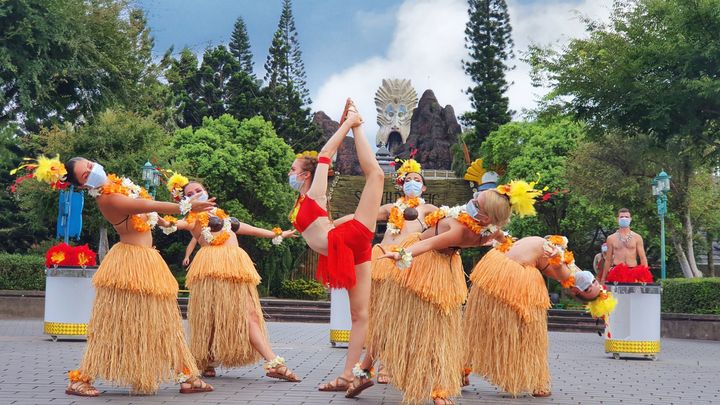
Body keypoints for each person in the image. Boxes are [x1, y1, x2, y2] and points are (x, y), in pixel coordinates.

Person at [59, 157, 216, 396]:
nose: (92, 170)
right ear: (82, 186)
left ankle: (188, 376)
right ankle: (81, 378)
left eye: (90, 165)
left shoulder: (122, 187)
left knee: (165, 321)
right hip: (129, 267)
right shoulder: (108, 198)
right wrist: (184, 206)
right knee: (116, 324)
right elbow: (144, 205)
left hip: (147, 262)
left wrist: (166, 221)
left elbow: (148, 213)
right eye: (84, 174)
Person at [287, 99, 384, 397]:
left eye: (293, 169)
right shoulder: (302, 203)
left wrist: (348, 124)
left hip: (345, 241)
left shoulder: (315, 191)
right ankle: (348, 375)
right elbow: (311, 227)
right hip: (344, 248)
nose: (289, 173)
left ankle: (359, 125)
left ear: (305, 174)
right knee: (360, 315)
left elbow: (326, 153)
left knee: (377, 176)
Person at [157, 179, 299, 381]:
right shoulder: (194, 218)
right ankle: (270, 362)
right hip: (213, 270)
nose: (196, 194)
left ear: (207, 191)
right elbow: (177, 224)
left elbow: (247, 228)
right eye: (190, 194)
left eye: (199, 190)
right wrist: (162, 221)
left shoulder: (221, 215)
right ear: (186, 200)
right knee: (211, 317)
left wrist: (277, 234)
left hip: (236, 268)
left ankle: (210, 361)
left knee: (247, 315)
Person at [464, 235, 616, 398]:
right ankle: (532, 381)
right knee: (489, 329)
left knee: (506, 332)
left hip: (501, 269)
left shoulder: (566, 275)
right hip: (503, 270)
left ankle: (527, 379)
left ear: (575, 291)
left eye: (587, 289)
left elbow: (561, 271)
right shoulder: (574, 270)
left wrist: (557, 259)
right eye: (593, 283)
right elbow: (581, 275)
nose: (590, 283)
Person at [362, 159, 437, 386]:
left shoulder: (429, 209)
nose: (412, 183)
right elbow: (363, 217)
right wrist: (334, 223)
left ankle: (391, 364)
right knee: (383, 314)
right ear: (400, 185)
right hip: (384, 261)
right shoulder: (391, 208)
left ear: (423, 188)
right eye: (408, 180)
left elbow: (450, 226)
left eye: (417, 180)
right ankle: (381, 361)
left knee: (402, 315)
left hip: (409, 264)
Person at [602, 208, 652, 284]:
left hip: (633, 271)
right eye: (621, 217)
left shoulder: (637, 237)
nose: (624, 219)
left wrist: (645, 276)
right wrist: (603, 278)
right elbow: (608, 260)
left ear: (630, 219)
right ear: (617, 219)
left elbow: (643, 258)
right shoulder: (611, 238)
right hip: (616, 272)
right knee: (617, 295)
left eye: (626, 217)